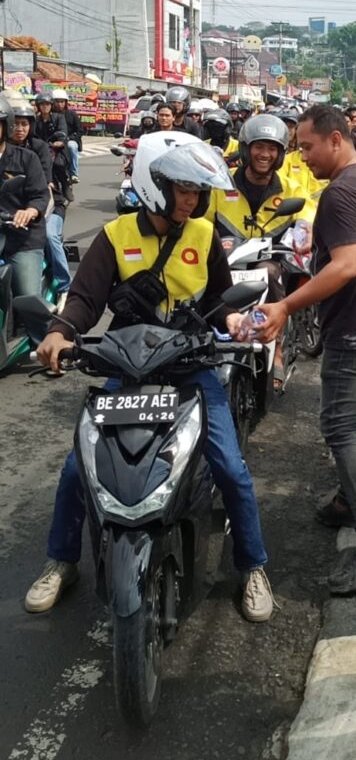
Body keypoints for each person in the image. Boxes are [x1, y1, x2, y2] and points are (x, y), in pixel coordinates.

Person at [24, 134, 274, 622]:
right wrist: (59, 332)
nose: (193, 201)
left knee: (231, 468)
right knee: (80, 468)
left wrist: (237, 323)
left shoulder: (203, 236)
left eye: (198, 192)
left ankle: (253, 567)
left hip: (190, 365)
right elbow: (85, 298)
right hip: (127, 367)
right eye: (184, 190)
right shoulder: (116, 235)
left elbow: (220, 301)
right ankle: (61, 561)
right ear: (155, 185)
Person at [256, 105, 356, 594]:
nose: (303, 157)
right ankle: (349, 497)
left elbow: (344, 267)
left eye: (307, 146)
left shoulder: (343, 191)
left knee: (339, 425)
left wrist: (284, 308)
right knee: (352, 420)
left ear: (336, 139)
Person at [206, 115, 316, 391]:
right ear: (245, 148)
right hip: (226, 263)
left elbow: (306, 215)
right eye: (258, 147)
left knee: (270, 272)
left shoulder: (290, 188)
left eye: (272, 148)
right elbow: (201, 222)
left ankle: (275, 345)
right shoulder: (221, 185)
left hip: (271, 262)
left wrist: (303, 231)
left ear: (280, 153)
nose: (264, 154)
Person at [11, 104, 71, 308]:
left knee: (49, 236)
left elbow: (44, 187)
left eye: (23, 124)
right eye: (15, 124)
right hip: (10, 215)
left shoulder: (37, 149)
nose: (19, 128)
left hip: (48, 204)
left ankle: (64, 287)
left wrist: (31, 211)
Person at [0, 97, 50, 297]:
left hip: (22, 238)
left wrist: (29, 211)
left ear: (6, 125)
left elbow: (40, 195)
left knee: (29, 298)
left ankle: (43, 329)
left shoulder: (28, 158)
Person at [51, 89, 83, 182]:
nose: (60, 104)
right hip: (54, 140)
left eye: (62, 102)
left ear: (66, 102)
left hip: (69, 140)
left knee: (72, 146)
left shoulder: (71, 114)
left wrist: (69, 138)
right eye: (57, 101)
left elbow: (80, 130)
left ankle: (74, 173)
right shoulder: (49, 115)